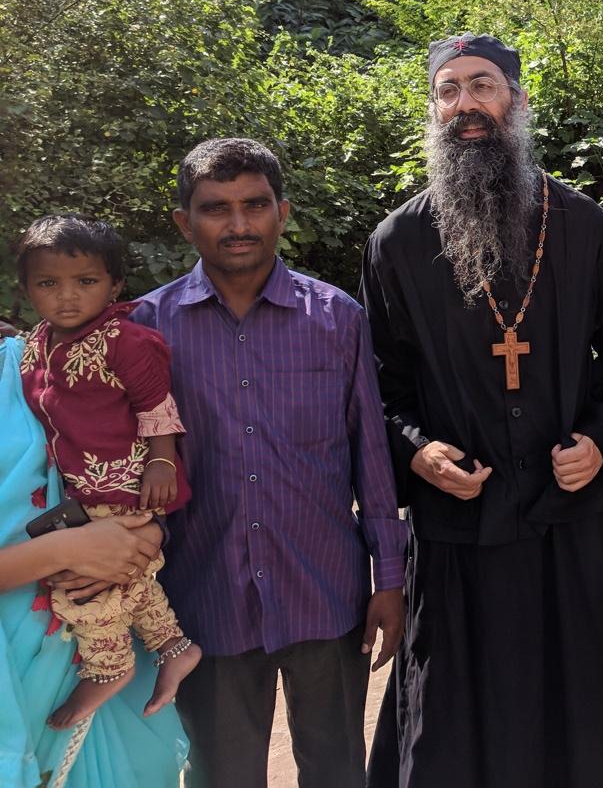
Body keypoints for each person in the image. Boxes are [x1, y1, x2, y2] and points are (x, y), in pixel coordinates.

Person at [362, 33, 603, 787]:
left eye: (481, 86)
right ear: (433, 110)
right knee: (456, 713)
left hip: (568, 510)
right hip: (462, 519)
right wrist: (417, 452)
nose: (466, 105)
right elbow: (378, 386)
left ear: (515, 101)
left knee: (582, 703)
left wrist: (601, 440)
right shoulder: (399, 242)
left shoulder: (582, 225)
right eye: (448, 90)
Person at [131, 138, 405, 788]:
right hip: (204, 598)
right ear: (183, 221)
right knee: (222, 773)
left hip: (325, 593)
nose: (238, 224)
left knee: (337, 767)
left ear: (282, 212)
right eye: (216, 208)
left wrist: (388, 580)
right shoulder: (146, 331)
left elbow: (371, 459)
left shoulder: (337, 319)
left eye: (255, 205)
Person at [16, 215, 200, 728]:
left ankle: (110, 667)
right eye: (49, 283)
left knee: (83, 584)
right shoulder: (36, 344)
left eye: (86, 281)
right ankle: (173, 645)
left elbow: (155, 402)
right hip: (79, 485)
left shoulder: (124, 339)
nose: (67, 296)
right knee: (134, 580)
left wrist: (163, 459)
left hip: (123, 481)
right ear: (27, 288)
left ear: (114, 284)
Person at [1, 332, 188, 787]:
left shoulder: (28, 358)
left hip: (87, 639)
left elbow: (115, 456)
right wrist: (65, 550)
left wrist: (141, 530)